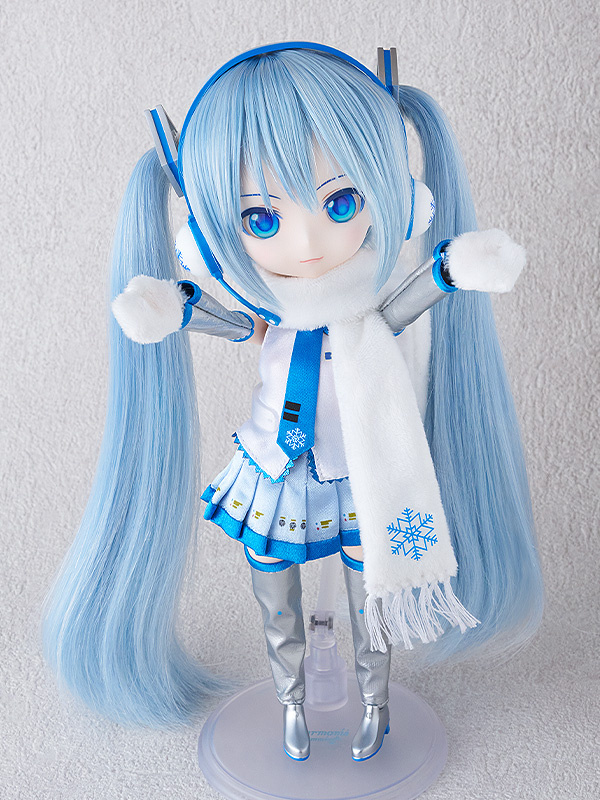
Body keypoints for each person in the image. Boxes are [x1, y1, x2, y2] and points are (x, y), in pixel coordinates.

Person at [43, 44, 544, 764]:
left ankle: (374, 702)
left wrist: (449, 270)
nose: (309, 241)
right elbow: (232, 323)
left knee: (374, 600)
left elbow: (405, 304)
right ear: (210, 233)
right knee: (277, 602)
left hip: (366, 471)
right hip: (276, 473)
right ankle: (291, 702)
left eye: (341, 202)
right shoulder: (270, 317)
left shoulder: (366, 315)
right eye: (261, 218)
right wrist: (175, 310)